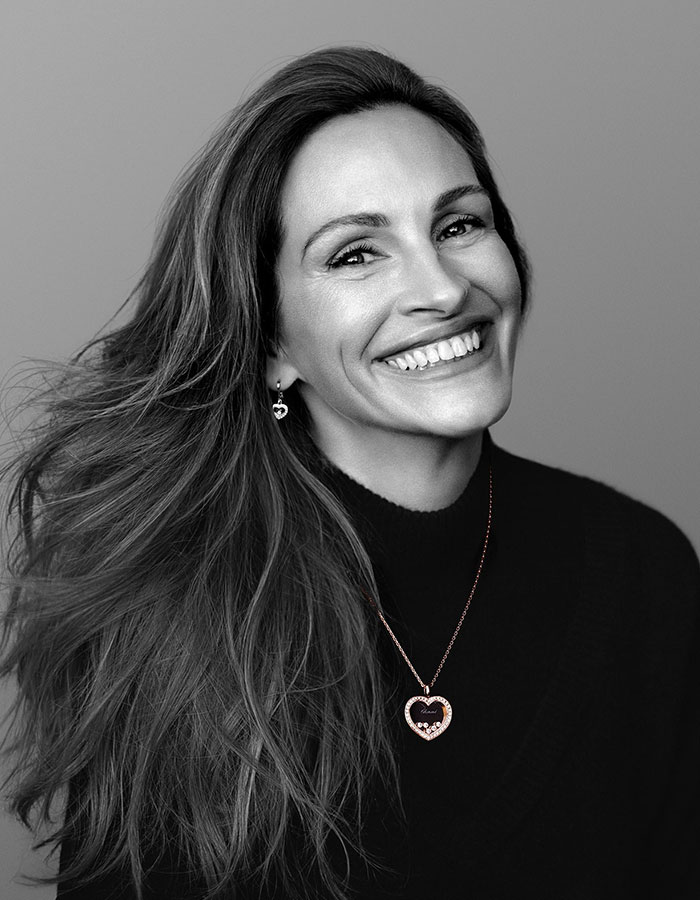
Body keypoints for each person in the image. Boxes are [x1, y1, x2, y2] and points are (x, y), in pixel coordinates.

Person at [1, 46, 698, 900]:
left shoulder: (643, 569)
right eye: (356, 254)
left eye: (459, 225)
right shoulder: (172, 609)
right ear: (270, 345)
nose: (442, 289)